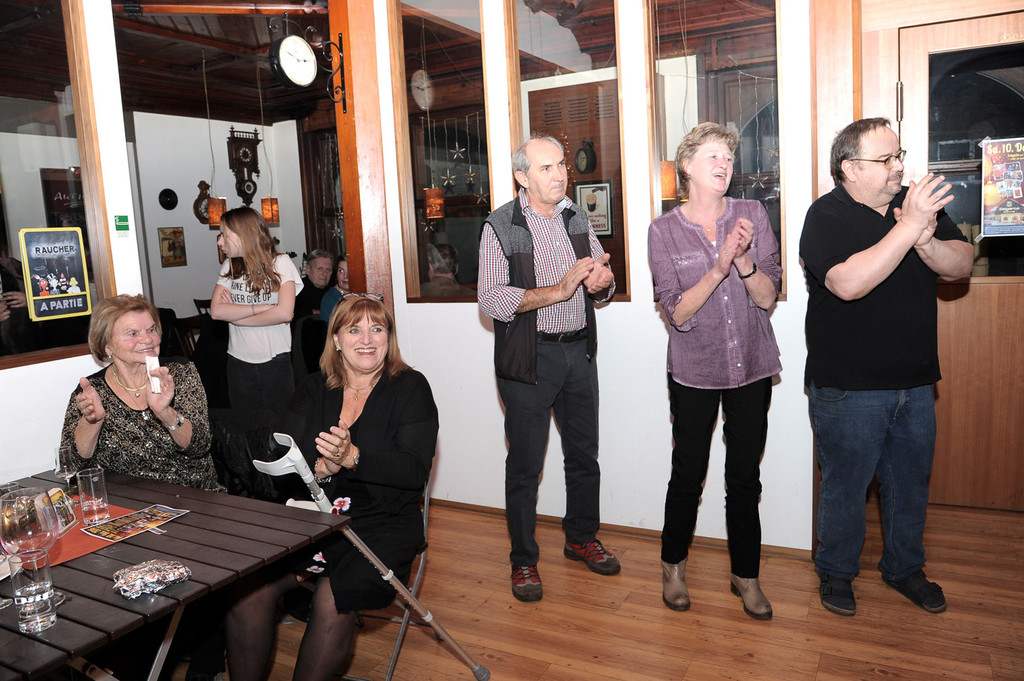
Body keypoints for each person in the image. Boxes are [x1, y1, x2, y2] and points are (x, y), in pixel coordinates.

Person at [799, 117, 973, 617]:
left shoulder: (915, 207)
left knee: (909, 486)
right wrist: (911, 227)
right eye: (885, 159)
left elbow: (961, 264)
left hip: (915, 381)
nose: (898, 166)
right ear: (850, 168)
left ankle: (904, 568)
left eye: (899, 156)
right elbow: (848, 284)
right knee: (846, 488)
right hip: (848, 387)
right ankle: (836, 572)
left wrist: (925, 239)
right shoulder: (826, 214)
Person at [224, 294, 438, 681]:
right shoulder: (314, 387)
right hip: (315, 517)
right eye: (354, 330)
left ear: (389, 338)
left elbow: (413, 472)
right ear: (336, 339)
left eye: (377, 329)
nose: (367, 339)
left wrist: (354, 457)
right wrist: (321, 470)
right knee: (248, 590)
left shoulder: (410, 388)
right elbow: (284, 462)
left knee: (332, 596)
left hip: (382, 520)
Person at [647, 122, 782, 620]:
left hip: (751, 364)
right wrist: (718, 267)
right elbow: (677, 313)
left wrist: (743, 263)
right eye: (713, 156)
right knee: (688, 473)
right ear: (686, 166)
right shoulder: (663, 231)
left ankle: (746, 576)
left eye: (728, 156)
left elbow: (767, 299)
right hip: (694, 370)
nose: (724, 163)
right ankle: (673, 567)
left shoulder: (753, 214)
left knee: (744, 477)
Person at [477, 133, 618, 603]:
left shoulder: (576, 216)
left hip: (578, 352)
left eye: (561, 165)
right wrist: (557, 291)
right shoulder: (501, 225)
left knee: (584, 455)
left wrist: (603, 283)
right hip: (529, 358)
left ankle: (581, 538)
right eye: (546, 168)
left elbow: (599, 284)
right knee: (525, 466)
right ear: (522, 176)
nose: (559, 175)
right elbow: (492, 299)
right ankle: (523, 561)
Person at [59, 294, 221, 491]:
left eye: (151, 330)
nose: (148, 339)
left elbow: (200, 447)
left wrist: (166, 414)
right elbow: (72, 468)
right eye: (132, 333)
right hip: (129, 501)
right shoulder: (92, 391)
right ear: (106, 346)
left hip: (193, 496)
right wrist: (92, 422)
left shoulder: (179, 373)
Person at [210, 206, 302, 410]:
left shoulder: (281, 263)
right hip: (238, 363)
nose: (219, 241)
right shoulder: (230, 266)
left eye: (224, 235)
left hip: (276, 362)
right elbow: (216, 312)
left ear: (243, 235)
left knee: (280, 425)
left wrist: (235, 316)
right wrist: (263, 308)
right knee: (245, 426)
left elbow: (284, 313)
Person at [294, 249, 335, 320]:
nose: (324, 274)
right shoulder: (297, 290)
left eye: (328, 270)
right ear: (308, 269)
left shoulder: (335, 291)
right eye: (320, 269)